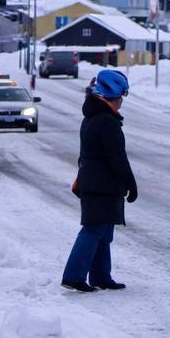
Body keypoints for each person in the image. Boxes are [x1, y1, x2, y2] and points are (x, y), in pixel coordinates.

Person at [61, 68, 137, 292]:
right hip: (101, 185)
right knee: (93, 230)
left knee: (103, 231)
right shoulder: (106, 121)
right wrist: (130, 184)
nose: (121, 102)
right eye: (119, 97)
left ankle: (101, 276)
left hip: (97, 183)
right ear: (110, 96)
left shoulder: (93, 117)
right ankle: (73, 276)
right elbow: (117, 157)